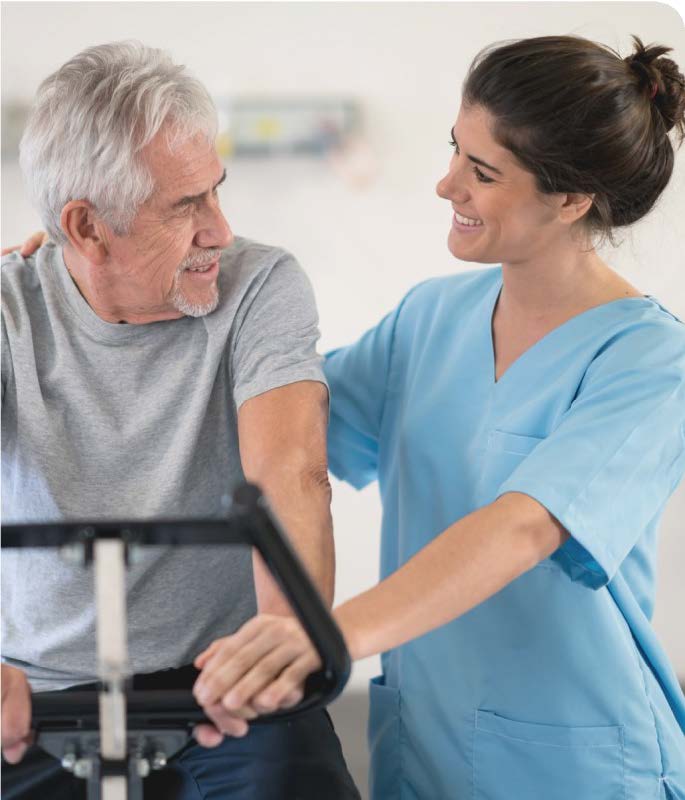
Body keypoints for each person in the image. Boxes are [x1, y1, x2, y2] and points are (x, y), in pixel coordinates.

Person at [178, 35, 685, 799]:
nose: (446, 184)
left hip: (574, 760)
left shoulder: (648, 361)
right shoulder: (428, 320)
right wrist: (86, 273)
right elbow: (275, 422)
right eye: (456, 149)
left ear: (570, 199)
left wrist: (329, 636)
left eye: (481, 172)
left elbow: (521, 526)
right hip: (426, 750)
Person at [0, 42, 360, 799]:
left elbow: (291, 469)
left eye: (215, 192)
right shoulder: (9, 308)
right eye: (185, 206)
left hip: (228, 674)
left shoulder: (260, 284)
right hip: (37, 693)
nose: (220, 230)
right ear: (87, 226)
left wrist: (284, 637)